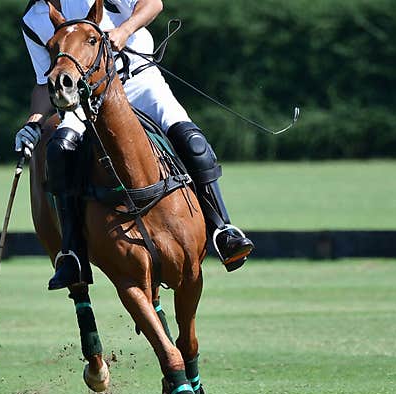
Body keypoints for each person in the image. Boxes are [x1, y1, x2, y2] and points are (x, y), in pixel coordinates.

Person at [15, 0, 253, 290]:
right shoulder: (34, 18)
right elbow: (44, 83)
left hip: (139, 82)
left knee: (193, 142)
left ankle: (222, 230)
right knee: (58, 150)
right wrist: (33, 123)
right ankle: (73, 253)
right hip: (85, 101)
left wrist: (125, 30)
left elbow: (153, 4)